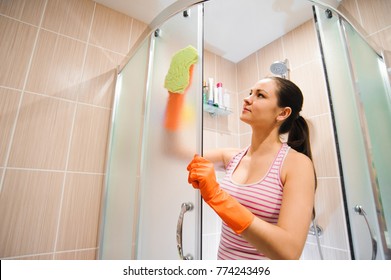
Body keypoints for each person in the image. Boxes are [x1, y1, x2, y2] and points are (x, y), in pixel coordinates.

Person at [187, 76, 316, 260]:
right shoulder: (233, 157)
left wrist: (217, 196)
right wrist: (176, 98)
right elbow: (178, 156)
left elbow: (289, 252)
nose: (247, 98)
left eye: (260, 95)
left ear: (282, 113)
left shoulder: (297, 164)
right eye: (250, 93)